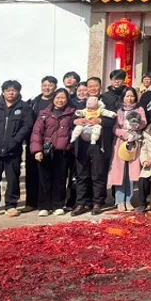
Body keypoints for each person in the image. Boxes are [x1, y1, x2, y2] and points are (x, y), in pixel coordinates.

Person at [0, 80, 32, 219]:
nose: (11, 92)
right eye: (8, 90)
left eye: (14, 90)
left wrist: (15, 140)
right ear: (3, 92)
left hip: (13, 150)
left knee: (13, 179)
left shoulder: (24, 108)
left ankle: (11, 205)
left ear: (18, 92)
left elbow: (27, 126)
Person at [29, 89, 76, 217]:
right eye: (58, 97)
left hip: (63, 151)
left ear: (67, 99)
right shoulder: (44, 113)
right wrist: (37, 150)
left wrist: (70, 146)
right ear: (53, 99)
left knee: (60, 179)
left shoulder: (72, 113)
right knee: (45, 179)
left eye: (63, 98)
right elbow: (36, 133)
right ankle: (44, 206)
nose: (60, 100)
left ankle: (58, 205)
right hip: (46, 151)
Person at [70, 77, 109, 217]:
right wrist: (76, 120)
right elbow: (70, 120)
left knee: (98, 173)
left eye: (95, 86)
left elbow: (113, 119)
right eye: (90, 86)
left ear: (100, 86)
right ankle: (81, 202)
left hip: (98, 143)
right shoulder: (80, 104)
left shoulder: (106, 101)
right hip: (81, 144)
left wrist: (100, 120)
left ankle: (98, 202)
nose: (92, 88)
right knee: (81, 174)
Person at [21, 75, 58, 213]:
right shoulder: (33, 102)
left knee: (47, 174)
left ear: (55, 87)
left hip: (50, 144)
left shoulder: (57, 102)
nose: (47, 88)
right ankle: (31, 202)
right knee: (32, 173)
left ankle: (47, 203)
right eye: (44, 85)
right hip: (34, 142)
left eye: (50, 85)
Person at [108, 87, 147, 212]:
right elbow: (115, 128)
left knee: (131, 172)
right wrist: (125, 134)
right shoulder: (118, 110)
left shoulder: (139, 109)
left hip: (135, 141)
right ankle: (119, 201)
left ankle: (128, 200)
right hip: (121, 142)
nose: (129, 99)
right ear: (123, 97)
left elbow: (144, 122)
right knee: (120, 172)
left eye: (132, 96)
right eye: (127, 96)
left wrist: (134, 125)